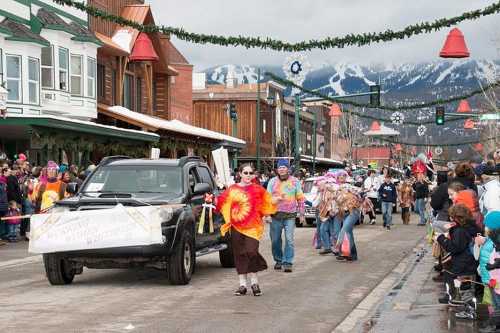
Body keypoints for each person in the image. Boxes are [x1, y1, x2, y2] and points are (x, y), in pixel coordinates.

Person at [216, 164, 276, 296]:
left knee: (251, 251)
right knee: (239, 254)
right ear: (240, 174)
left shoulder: (258, 189)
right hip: (236, 227)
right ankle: (242, 285)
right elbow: (221, 202)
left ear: (253, 175)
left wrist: (268, 212)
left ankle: (254, 282)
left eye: (250, 173)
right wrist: (212, 200)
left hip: (253, 227)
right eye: (245, 172)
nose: (248, 175)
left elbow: (268, 201)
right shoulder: (232, 189)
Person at [267, 159, 305, 273]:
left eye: (284, 167)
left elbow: (300, 198)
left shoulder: (295, 181)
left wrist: (302, 214)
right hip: (275, 216)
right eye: (280, 167)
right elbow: (267, 199)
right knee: (275, 240)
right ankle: (278, 260)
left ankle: (288, 262)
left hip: (290, 216)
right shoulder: (272, 182)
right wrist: (267, 214)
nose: (282, 169)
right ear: (277, 170)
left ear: (288, 169)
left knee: (289, 240)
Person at [436, 204, 479, 305]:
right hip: (467, 262)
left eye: (451, 216)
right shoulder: (468, 227)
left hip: (463, 264)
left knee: (466, 289)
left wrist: (441, 238)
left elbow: (455, 247)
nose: (450, 218)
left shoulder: (460, 231)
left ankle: (469, 309)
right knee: (465, 287)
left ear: (456, 218)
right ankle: (460, 302)